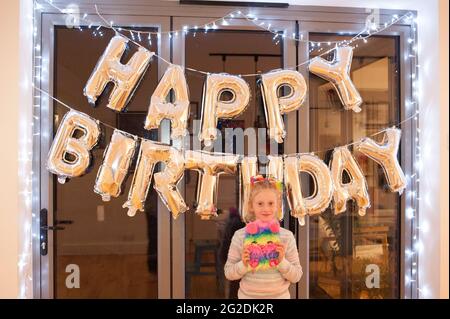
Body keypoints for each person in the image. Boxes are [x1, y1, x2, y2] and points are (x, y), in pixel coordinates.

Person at [224, 175, 303, 299]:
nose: (266, 209)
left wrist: (281, 261)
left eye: (271, 203)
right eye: (260, 203)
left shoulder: (286, 237)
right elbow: (228, 273)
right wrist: (243, 264)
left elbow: (297, 276)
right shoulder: (240, 236)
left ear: (278, 206)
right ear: (251, 206)